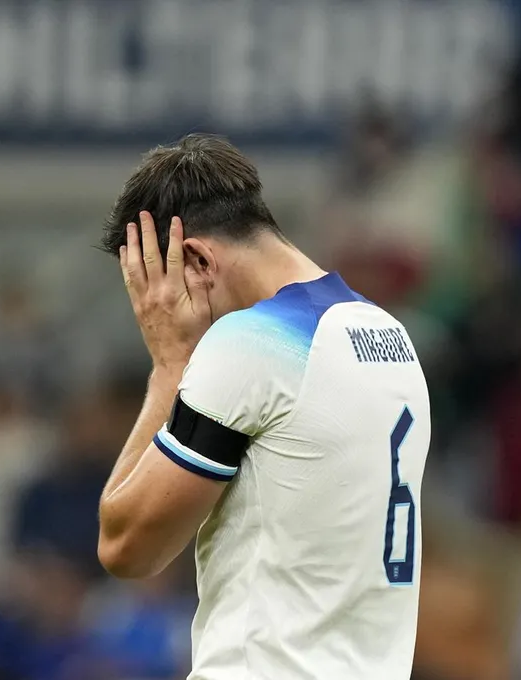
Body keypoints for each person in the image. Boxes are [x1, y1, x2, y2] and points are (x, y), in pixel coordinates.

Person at [96, 134, 431, 680]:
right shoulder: (388, 334)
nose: (160, 311)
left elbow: (126, 547)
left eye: (160, 291)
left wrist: (171, 367)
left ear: (199, 259)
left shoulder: (250, 344)